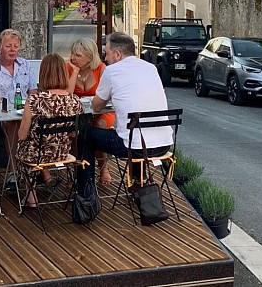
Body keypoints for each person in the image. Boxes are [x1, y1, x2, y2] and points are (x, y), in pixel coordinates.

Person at [77, 32, 174, 193]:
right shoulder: (151, 68)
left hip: (135, 146)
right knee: (133, 132)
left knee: (86, 135)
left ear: (117, 54)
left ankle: (86, 192)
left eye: (107, 54)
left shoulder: (112, 71)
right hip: (163, 144)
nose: (105, 59)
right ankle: (138, 182)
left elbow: (96, 107)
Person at [17, 53, 84, 207]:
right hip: (62, 153)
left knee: (21, 149)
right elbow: (74, 133)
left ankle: (31, 196)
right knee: (30, 148)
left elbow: (22, 134)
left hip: (39, 154)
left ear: (43, 74)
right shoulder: (74, 100)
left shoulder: (35, 100)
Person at [0, 29, 38, 186]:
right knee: (12, 124)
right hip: (0, 117)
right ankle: (13, 173)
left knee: (41, 123)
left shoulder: (25, 65)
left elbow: (33, 93)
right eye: (8, 46)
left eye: (15, 46)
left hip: (25, 113)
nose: (13, 50)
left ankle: (36, 169)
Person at [66, 37, 115, 185]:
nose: (73, 58)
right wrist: (75, 72)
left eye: (78, 55)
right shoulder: (68, 68)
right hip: (77, 113)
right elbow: (67, 96)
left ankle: (103, 168)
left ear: (89, 57)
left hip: (100, 111)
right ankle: (78, 170)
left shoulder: (101, 69)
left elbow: (108, 96)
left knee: (99, 126)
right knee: (74, 131)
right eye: (72, 54)